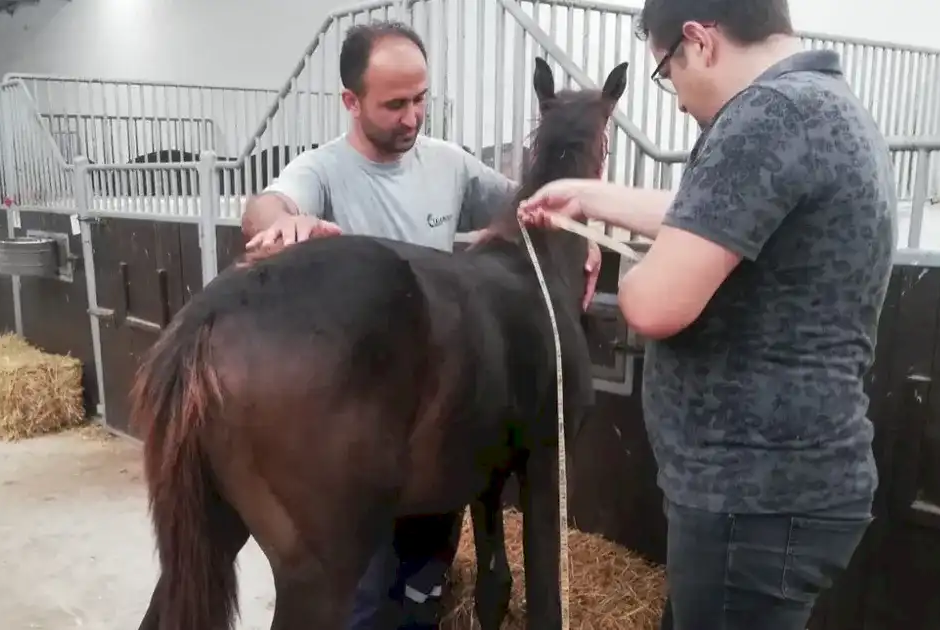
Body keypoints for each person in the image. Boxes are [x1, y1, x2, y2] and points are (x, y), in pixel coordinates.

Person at [517, 0, 896, 628]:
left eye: (667, 72)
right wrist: (589, 195)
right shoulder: (823, 104)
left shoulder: (767, 116)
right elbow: (720, 209)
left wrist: (635, 264)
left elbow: (653, 305)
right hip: (778, 492)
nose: (676, 98)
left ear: (699, 41)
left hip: (749, 500)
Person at [240, 20, 600, 630]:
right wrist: (280, 223)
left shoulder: (448, 165)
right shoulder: (322, 170)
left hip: (446, 406)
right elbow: (267, 205)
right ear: (351, 102)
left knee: (421, 588)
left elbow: (532, 206)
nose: (413, 118)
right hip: (367, 415)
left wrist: (582, 229)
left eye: (421, 99)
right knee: (363, 591)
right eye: (395, 104)